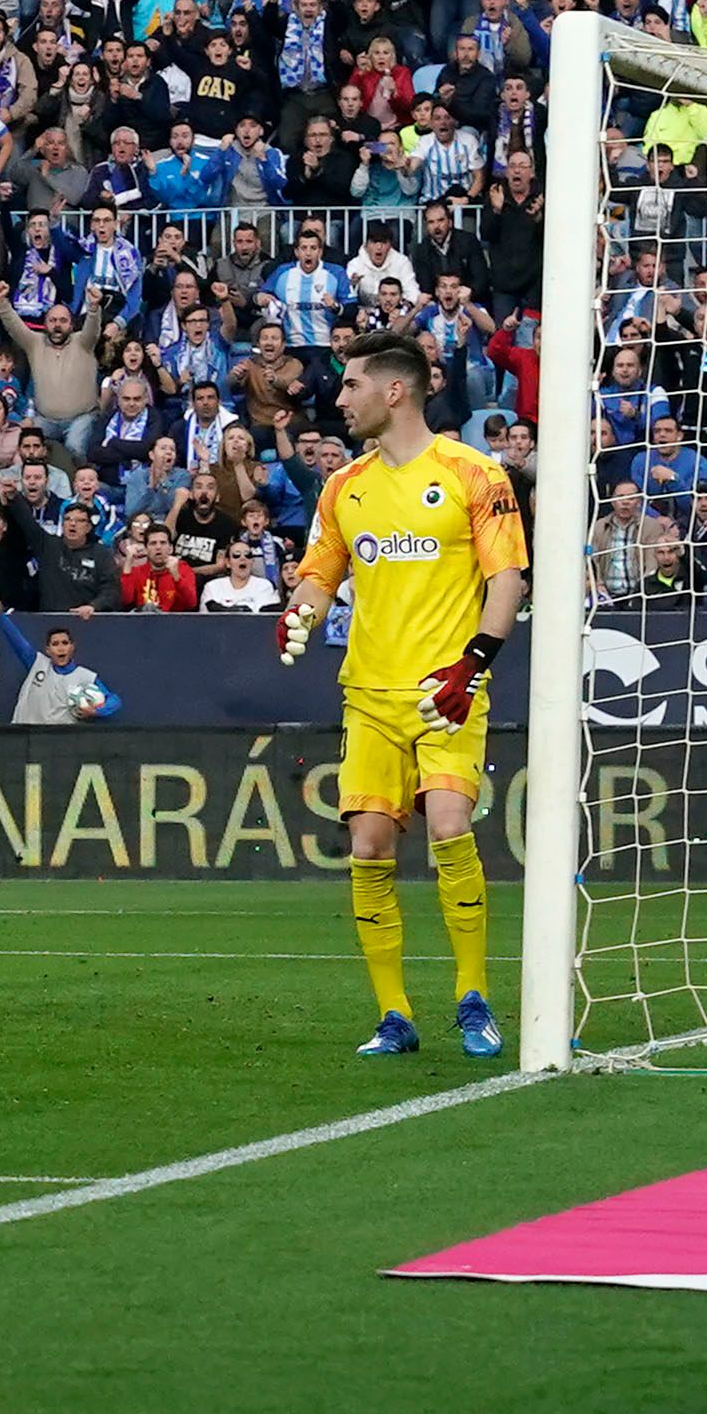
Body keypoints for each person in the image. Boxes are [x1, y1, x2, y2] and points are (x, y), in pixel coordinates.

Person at [277, 332, 528, 1062]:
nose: (339, 397)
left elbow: (508, 577)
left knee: (451, 823)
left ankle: (473, 996)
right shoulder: (343, 485)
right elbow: (321, 574)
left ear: (395, 391)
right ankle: (394, 1012)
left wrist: (474, 662)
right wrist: (300, 612)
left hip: (446, 691)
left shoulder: (473, 474)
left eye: (351, 384)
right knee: (368, 843)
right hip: (369, 694)